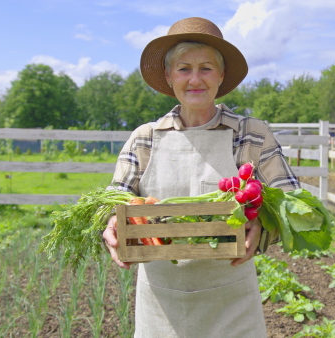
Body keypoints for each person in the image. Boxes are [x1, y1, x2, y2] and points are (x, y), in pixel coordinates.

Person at [102, 17, 300, 338]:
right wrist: (112, 224)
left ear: (221, 76)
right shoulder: (144, 139)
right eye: (183, 69)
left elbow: (290, 201)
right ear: (168, 77)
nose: (195, 79)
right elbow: (115, 199)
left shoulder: (251, 134)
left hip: (232, 302)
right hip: (161, 305)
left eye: (206, 68)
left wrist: (264, 224)